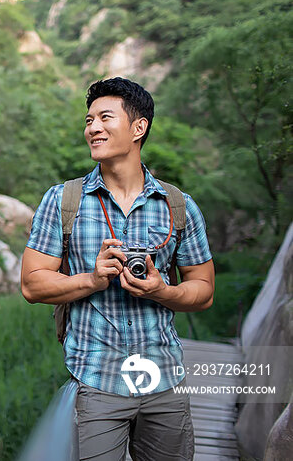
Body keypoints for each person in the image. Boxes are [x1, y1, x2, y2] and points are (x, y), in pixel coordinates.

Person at [20, 77, 215, 461]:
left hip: (165, 382)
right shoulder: (64, 201)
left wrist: (163, 292)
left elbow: (204, 289)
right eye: (89, 120)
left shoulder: (179, 206)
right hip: (96, 382)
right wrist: (92, 280)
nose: (92, 127)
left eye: (104, 117)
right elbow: (32, 285)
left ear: (138, 127)